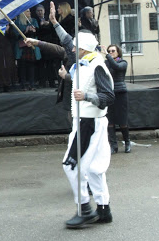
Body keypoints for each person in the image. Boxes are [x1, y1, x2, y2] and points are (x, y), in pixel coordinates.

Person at [57, 32, 114, 228]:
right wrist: (66, 76)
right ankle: (103, 209)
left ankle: (85, 209)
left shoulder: (96, 65)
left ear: (84, 49)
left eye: (76, 47)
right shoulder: (86, 64)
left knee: (72, 165)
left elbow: (108, 96)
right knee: (94, 168)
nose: (73, 50)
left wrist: (87, 97)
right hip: (88, 121)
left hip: (89, 123)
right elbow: (77, 76)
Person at [104, 44, 130, 153]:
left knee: (122, 121)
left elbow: (116, 67)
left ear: (118, 52)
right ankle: (113, 146)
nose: (111, 53)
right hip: (109, 94)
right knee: (110, 121)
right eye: (109, 51)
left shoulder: (122, 62)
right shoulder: (106, 63)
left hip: (120, 94)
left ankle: (127, 142)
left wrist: (107, 56)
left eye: (113, 51)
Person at [13, 9, 41, 91]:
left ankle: (32, 84)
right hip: (22, 47)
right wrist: (26, 30)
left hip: (31, 46)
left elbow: (38, 32)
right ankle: (23, 85)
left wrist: (33, 30)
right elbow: (16, 35)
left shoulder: (34, 21)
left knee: (31, 67)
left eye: (29, 11)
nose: (29, 12)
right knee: (22, 67)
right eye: (27, 11)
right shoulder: (18, 22)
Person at [34, 4, 60, 88]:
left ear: (44, 11)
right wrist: (41, 26)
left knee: (50, 64)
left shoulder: (49, 19)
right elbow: (36, 32)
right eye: (38, 11)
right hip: (40, 44)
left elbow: (53, 30)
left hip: (49, 44)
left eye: (41, 10)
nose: (40, 12)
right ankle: (42, 82)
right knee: (41, 64)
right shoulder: (35, 20)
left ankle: (52, 82)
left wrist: (48, 24)